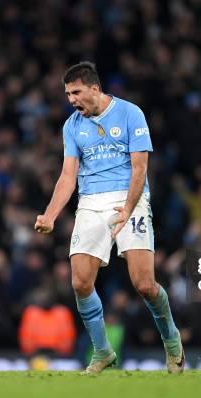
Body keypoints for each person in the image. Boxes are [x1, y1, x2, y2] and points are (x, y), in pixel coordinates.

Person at [34, 62, 184, 374]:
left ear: (94, 88)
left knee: (144, 284)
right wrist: (50, 214)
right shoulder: (72, 125)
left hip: (130, 198)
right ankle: (103, 351)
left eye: (75, 92)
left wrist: (129, 207)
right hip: (91, 202)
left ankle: (171, 341)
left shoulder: (131, 114)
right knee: (79, 281)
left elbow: (140, 168)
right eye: (67, 94)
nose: (71, 100)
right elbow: (67, 176)